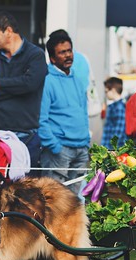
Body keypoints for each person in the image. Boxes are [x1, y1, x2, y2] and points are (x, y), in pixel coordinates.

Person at [0, 11, 47, 175]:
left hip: (26, 137)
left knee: (28, 195)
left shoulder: (36, 55)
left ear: (8, 31)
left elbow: (31, 85)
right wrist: (20, 87)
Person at [38, 32, 90, 195]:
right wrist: (55, 146)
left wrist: (86, 141)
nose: (68, 55)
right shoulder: (46, 80)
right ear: (53, 58)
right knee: (53, 200)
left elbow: (83, 111)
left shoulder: (77, 78)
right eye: (62, 52)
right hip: (59, 150)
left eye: (69, 50)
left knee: (73, 202)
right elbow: (40, 118)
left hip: (81, 148)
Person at [101, 77, 127, 148]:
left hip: (114, 149)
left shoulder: (119, 108)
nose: (106, 94)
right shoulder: (114, 107)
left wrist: (111, 148)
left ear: (113, 90)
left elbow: (119, 131)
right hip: (109, 147)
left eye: (106, 91)